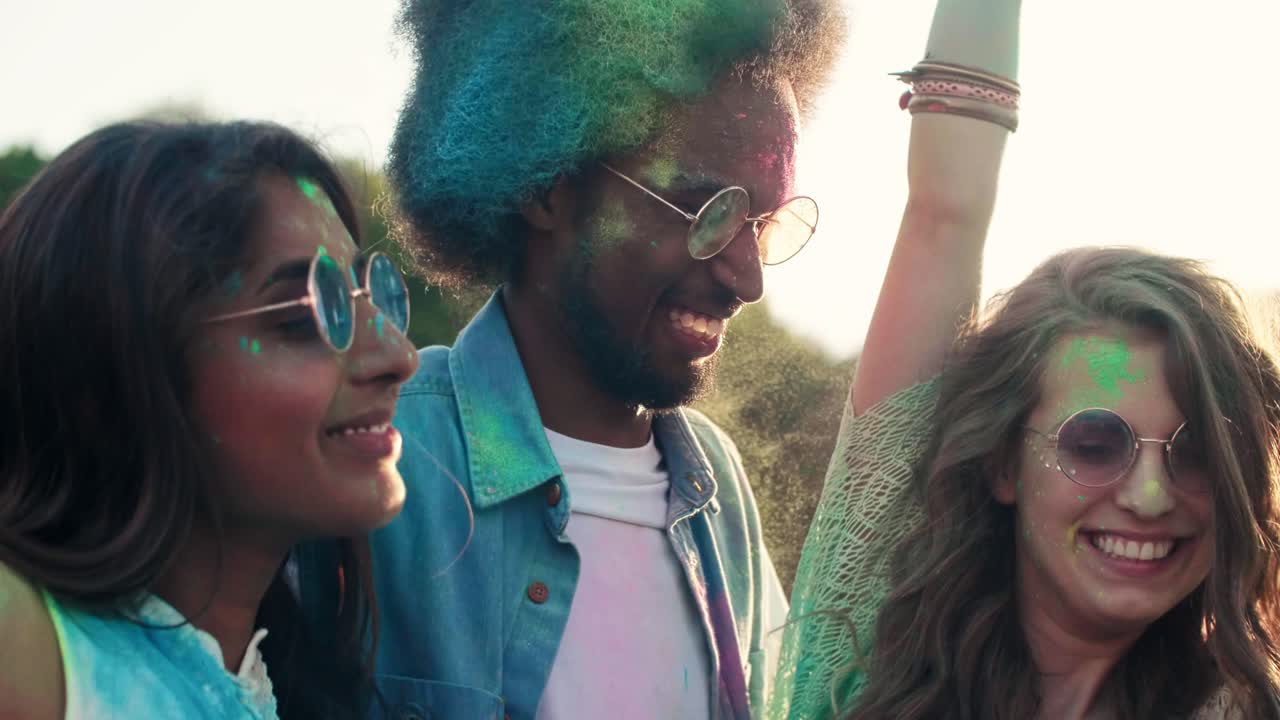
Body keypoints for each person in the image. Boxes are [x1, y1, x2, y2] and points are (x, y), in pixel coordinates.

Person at [294, 1, 842, 718]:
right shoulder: (380, 455)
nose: (748, 278)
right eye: (707, 212)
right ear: (543, 186)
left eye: (763, 225)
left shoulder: (717, 491)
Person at [770, 0, 1280, 718]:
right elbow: (944, 215)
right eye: (1097, 443)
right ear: (1005, 463)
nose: (1152, 495)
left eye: (1195, 450)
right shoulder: (870, 640)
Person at [0, 120, 419, 719]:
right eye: (309, 315)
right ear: (119, 361)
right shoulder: (30, 652)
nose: (400, 358)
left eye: (367, 296)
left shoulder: (282, 681)